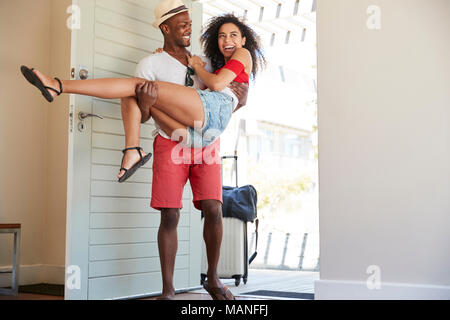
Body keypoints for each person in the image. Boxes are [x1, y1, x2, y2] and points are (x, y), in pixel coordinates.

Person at [20, 5, 265, 184]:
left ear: (244, 39)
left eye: (233, 35)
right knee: (136, 90)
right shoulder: (199, 61)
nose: (226, 40)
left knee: (134, 85)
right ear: (166, 29)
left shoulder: (234, 56)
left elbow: (219, 85)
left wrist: (199, 68)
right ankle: (133, 150)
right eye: (221, 36)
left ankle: (58, 85)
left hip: (209, 118)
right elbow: (145, 113)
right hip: (191, 134)